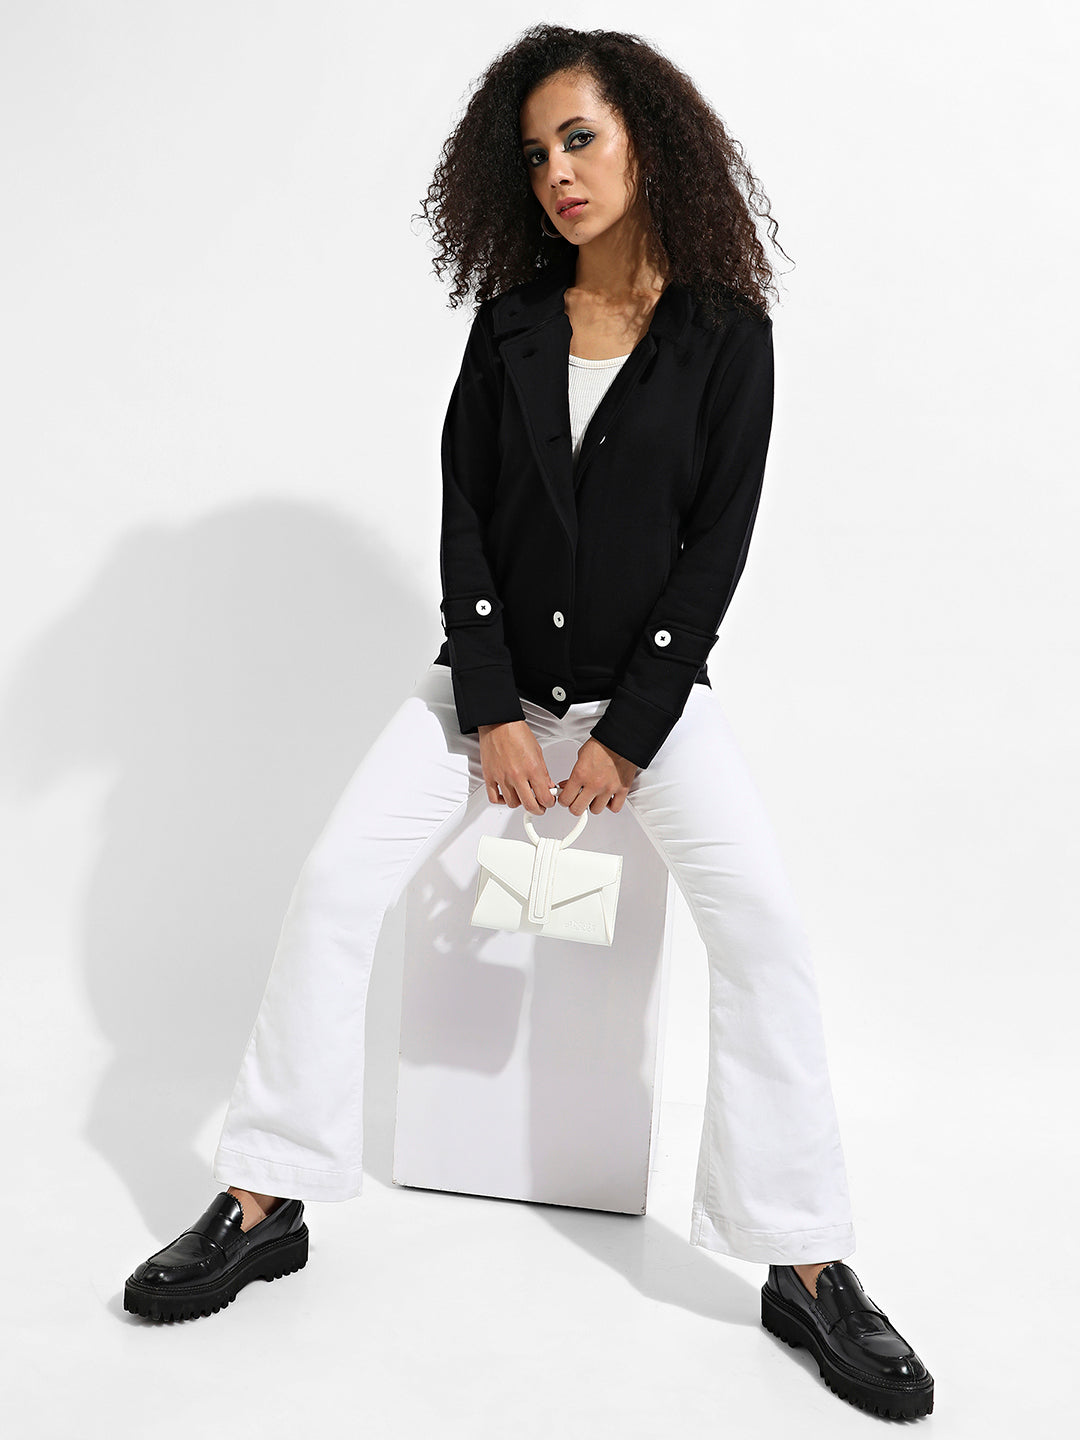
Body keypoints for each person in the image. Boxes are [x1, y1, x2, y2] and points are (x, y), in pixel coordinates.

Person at [124, 23, 933, 1421]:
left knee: (764, 931)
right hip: (485, 693)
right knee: (333, 887)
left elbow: (714, 555)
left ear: (647, 143)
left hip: (644, 704)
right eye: (538, 151)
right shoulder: (507, 325)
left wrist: (629, 734)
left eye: (581, 138)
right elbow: (465, 523)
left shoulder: (728, 337)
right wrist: (492, 708)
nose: (559, 170)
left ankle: (804, 1263)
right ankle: (265, 1197)